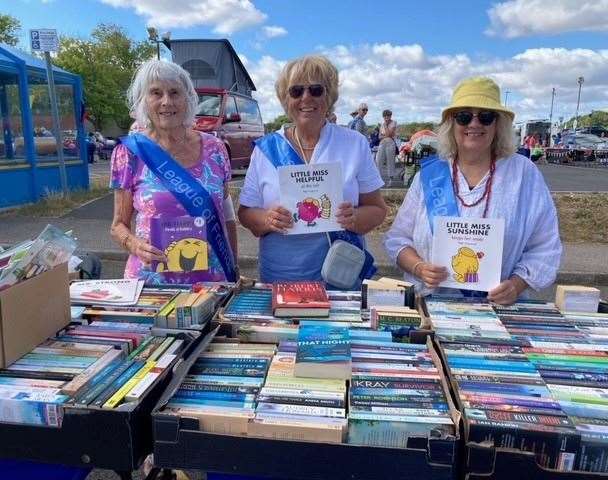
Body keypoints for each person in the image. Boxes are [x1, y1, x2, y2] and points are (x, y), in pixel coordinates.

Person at [384, 76, 561, 305]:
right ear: (451, 123)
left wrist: (516, 285)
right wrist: (419, 268)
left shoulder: (523, 174)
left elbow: (545, 246)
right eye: (464, 116)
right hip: (432, 308)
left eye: (486, 117)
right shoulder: (430, 175)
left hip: (499, 312)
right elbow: (398, 239)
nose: (474, 124)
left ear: (498, 125)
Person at [238, 55, 387, 285]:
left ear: (329, 96)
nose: (306, 97)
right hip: (282, 277)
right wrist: (268, 219)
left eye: (316, 90)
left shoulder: (354, 143)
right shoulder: (265, 149)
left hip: (340, 276)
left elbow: (378, 209)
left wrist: (354, 218)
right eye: (296, 91)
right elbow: (246, 213)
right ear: (286, 99)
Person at [109, 59, 238, 284]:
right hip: (151, 281)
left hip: (211, 280)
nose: (166, 102)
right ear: (143, 101)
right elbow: (118, 225)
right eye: (156, 93)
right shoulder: (129, 153)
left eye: (175, 92)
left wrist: (233, 267)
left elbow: (226, 217)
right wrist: (134, 245)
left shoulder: (215, 148)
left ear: (188, 99)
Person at [376, 109, 398, 180]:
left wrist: (385, 126)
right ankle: (378, 178)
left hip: (390, 143)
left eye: (388, 116)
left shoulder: (393, 123)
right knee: (378, 160)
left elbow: (389, 134)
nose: (386, 117)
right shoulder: (382, 124)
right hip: (382, 143)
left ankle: (391, 179)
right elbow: (379, 137)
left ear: (390, 116)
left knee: (390, 161)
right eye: (385, 116)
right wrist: (385, 135)